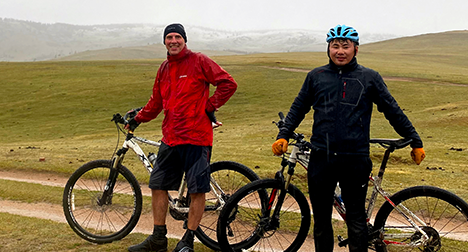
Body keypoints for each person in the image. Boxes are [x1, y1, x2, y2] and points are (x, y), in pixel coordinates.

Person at [272, 24, 426, 252]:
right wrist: (283, 135)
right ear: (328, 49)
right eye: (335, 46)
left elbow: (392, 110)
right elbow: (298, 108)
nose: (340, 51)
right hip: (321, 159)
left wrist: (415, 140)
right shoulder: (316, 76)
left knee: (356, 219)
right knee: (322, 220)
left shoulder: (369, 77)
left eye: (346, 46)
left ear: (356, 49)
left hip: (355, 160)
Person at [126, 23, 238, 252]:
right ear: (164, 42)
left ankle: (188, 241)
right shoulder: (164, 68)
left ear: (184, 40)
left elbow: (228, 83)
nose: (173, 41)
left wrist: (209, 106)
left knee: (197, 190)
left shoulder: (199, 60)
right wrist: (138, 118)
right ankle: (158, 238)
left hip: (197, 137)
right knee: (158, 185)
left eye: (178, 37)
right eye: (169, 37)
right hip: (171, 137)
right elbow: (156, 102)